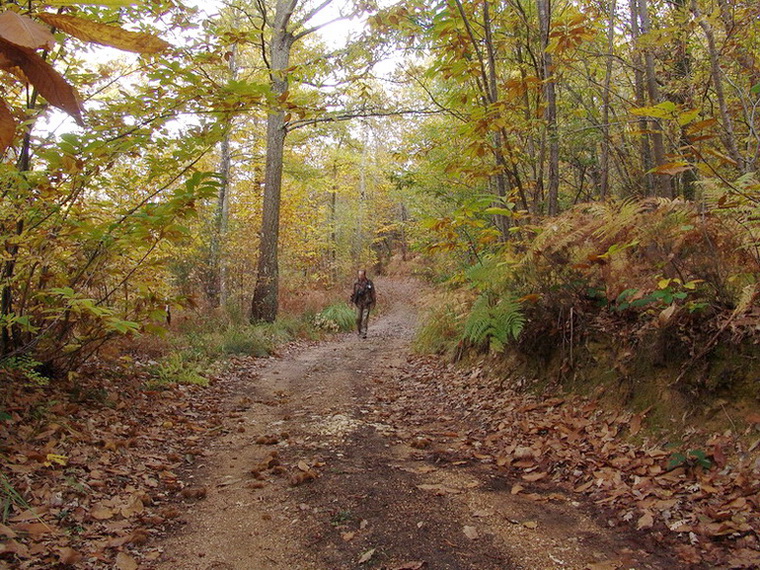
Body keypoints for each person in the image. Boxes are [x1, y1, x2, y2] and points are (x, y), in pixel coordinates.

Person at [350, 269, 376, 338]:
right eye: (359, 275)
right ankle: (359, 331)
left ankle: (364, 333)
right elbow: (353, 292)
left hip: (366, 303)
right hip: (358, 303)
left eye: (361, 275)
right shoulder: (356, 283)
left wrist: (373, 302)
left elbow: (373, 293)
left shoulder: (369, 283)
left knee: (364, 319)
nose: (360, 276)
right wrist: (352, 300)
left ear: (364, 275)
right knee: (357, 318)